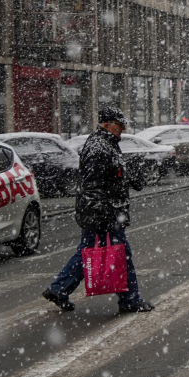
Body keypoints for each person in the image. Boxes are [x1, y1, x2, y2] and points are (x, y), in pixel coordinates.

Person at [42, 107, 154, 313]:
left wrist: (130, 178)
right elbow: (92, 186)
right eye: (118, 124)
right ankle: (130, 300)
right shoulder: (98, 147)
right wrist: (104, 215)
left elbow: (112, 173)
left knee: (89, 251)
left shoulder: (106, 144)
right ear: (106, 124)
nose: (122, 128)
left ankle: (59, 289)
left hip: (101, 211)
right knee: (120, 255)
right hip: (104, 212)